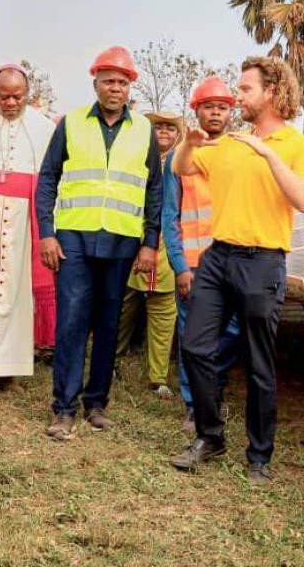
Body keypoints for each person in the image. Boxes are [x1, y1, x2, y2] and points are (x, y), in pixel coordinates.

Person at [170, 56, 304, 484]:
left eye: (246, 89)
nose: (237, 96)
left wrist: (267, 154)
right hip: (218, 259)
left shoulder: (300, 146)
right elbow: (182, 168)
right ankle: (209, 435)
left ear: (271, 92)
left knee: (258, 364)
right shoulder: (230, 143)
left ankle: (259, 457)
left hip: (263, 262)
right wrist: (190, 143)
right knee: (196, 348)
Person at [36, 46, 162, 440]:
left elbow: (155, 190)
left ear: (129, 89)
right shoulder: (70, 123)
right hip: (74, 238)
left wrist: (149, 242)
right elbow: (47, 180)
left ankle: (97, 404)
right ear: (95, 83)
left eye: (122, 82)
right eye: (108, 80)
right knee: (72, 322)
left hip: (122, 242)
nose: (115, 88)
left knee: (108, 324)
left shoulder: (143, 130)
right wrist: (46, 233)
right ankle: (64, 408)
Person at [0, 63, 57, 406]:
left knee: (18, 295)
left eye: (17, 96)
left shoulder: (44, 127)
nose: (10, 102)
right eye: (3, 96)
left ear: (27, 93)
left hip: (24, 221)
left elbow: (52, 179)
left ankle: (9, 369)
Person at [162, 76, 242, 433]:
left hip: (234, 261)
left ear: (230, 113)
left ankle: (213, 390)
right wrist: (180, 267)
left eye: (222, 107)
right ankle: (196, 406)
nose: (215, 113)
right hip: (194, 265)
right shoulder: (181, 158)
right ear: (196, 110)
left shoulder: (241, 153)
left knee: (234, 331)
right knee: (192, 335)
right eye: (209, 106)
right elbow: (170, 215)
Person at [116, 111, 182, 400]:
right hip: (131, 234)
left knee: (164, 307)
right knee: (122, 301)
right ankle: (111, 359)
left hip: (170, 241)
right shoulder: (133, 156)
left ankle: (157, 376)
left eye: (170, 127)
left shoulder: (183, 162)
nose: (164, 131)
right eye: (159, 126)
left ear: (178, 133)